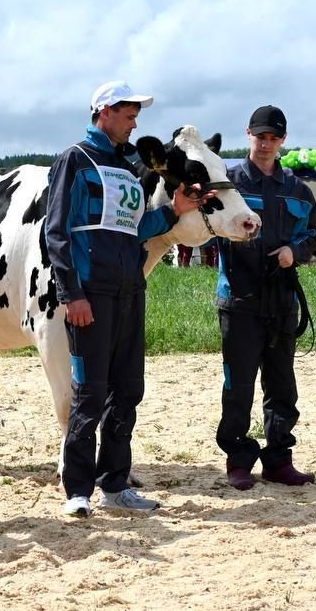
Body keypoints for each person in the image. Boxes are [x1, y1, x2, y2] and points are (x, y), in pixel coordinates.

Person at [46, 80, 207, 518]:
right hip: (91, 295)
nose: (135, 123)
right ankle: (77, 490)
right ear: (104, 112)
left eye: (137, 115)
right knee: (90, 393)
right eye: (129, 114)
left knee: (128, 391)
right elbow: (56, 232)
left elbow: (134, 229)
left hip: (130, 290)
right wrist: (71, 293)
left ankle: (115, 486)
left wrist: (174, 211)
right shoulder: (73, 161)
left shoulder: (129, 167)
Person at [214, 105, 316, 489]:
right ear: (249, 135)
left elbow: (312, 235)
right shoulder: (228, 184)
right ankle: (238, 460)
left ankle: (278, 459)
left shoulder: (299, 190)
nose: (266, 144)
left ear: (283, 141)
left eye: (273, 138)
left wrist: (295, 252)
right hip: (239, 300)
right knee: (238, 384)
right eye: (260, 137)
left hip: (282, 302)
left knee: (281, 386)